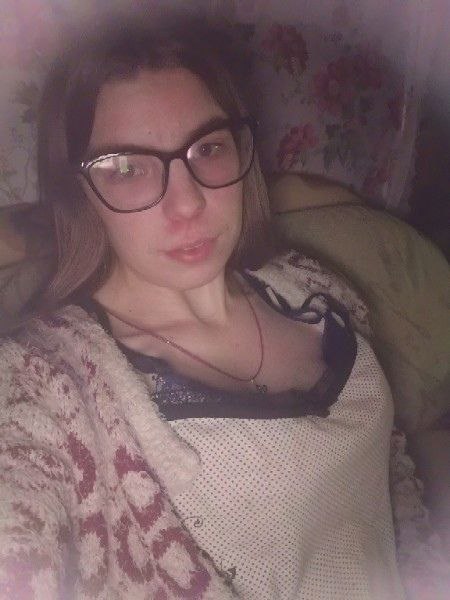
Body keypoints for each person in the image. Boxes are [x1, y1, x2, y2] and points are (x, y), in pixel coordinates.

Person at [0, 14, 406, 600]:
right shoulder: (45, 386)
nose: (188, 203)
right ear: (77, 190)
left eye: (208, 148)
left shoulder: (311, 287)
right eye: (127, 168)